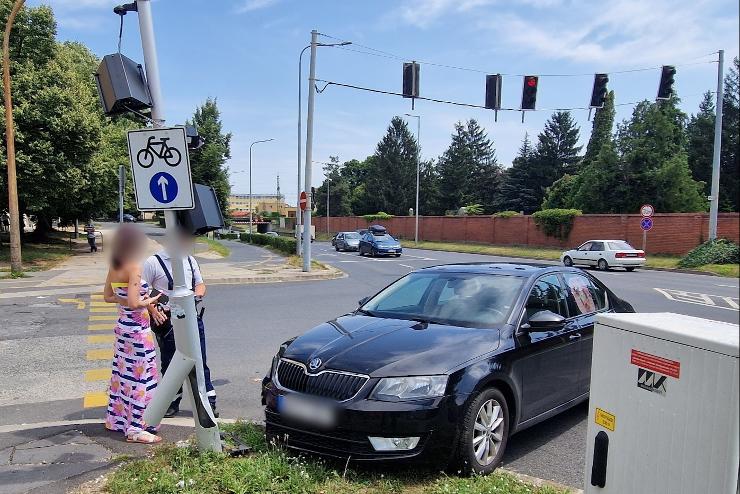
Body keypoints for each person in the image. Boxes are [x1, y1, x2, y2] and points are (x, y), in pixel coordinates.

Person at [142, 230, 218, 418]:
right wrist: (152, 309)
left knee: (199, 362)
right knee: (170, 363)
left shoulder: (190, 260)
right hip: (167, 321)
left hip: (191, 318)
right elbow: (142, 289)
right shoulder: (154, 262)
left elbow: (200, 284)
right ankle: (170, 402)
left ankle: (208, 403)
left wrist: (196, 296)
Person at [102, 224, 162, 444]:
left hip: (123, 330)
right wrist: (152, 300)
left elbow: (108, 297)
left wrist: (123, 300)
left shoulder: (115, 266)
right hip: (138, 333)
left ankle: (118, 420)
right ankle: (136, 428)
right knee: (142, 377)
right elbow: (137, 303)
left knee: (123, 375)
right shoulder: (134, 267)